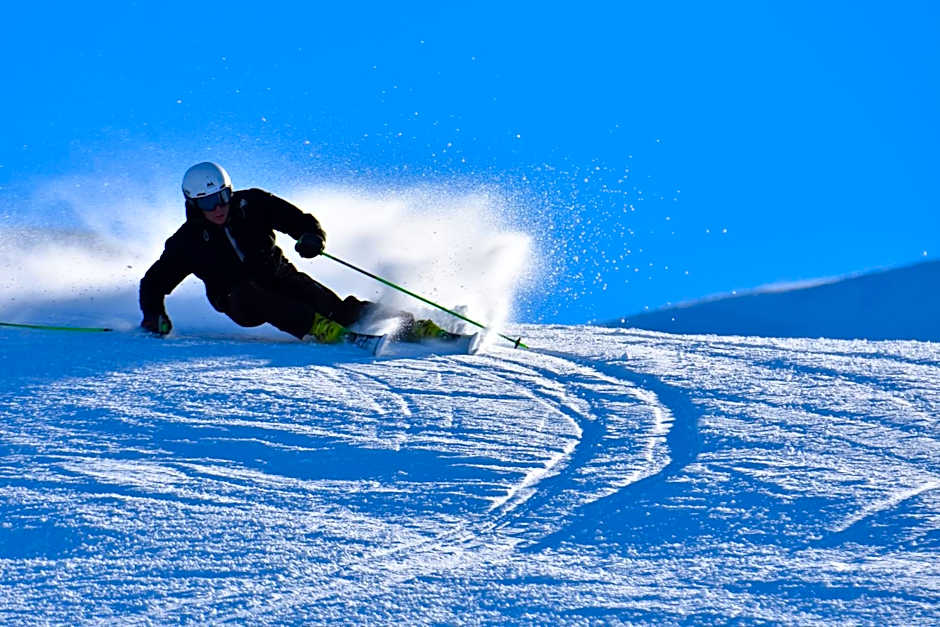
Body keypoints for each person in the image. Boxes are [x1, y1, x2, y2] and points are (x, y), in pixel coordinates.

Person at [139, 162, 447, 343]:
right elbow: (154, 283)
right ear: (194, 204)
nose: (218, 208)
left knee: (335, 308)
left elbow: (298, 220)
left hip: (280, 277)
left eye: (222, 197)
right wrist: (154, 315)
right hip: (238, 300)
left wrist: (311, 237)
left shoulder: (252, 204)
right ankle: (317, 329)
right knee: (250, 293)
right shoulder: (188, 240)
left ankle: (412, 326)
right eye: (208, 203)